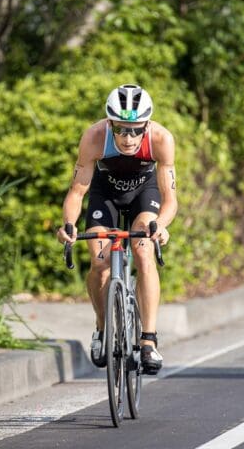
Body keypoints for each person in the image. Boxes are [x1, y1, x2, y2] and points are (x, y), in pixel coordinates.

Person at [56, 84, 178, 374]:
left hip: (144, 194)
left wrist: (160, 225)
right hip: (105, 193)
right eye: (121, 129)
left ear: (146, 125)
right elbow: (77, 192)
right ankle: (102, 326)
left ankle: (148, 340)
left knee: (143, 249)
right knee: (100, 264)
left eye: (136, 129)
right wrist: (69, 225)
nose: (128, 137)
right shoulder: (95, 137)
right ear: (109, 124)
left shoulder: (161, 139)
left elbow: (170, 200)